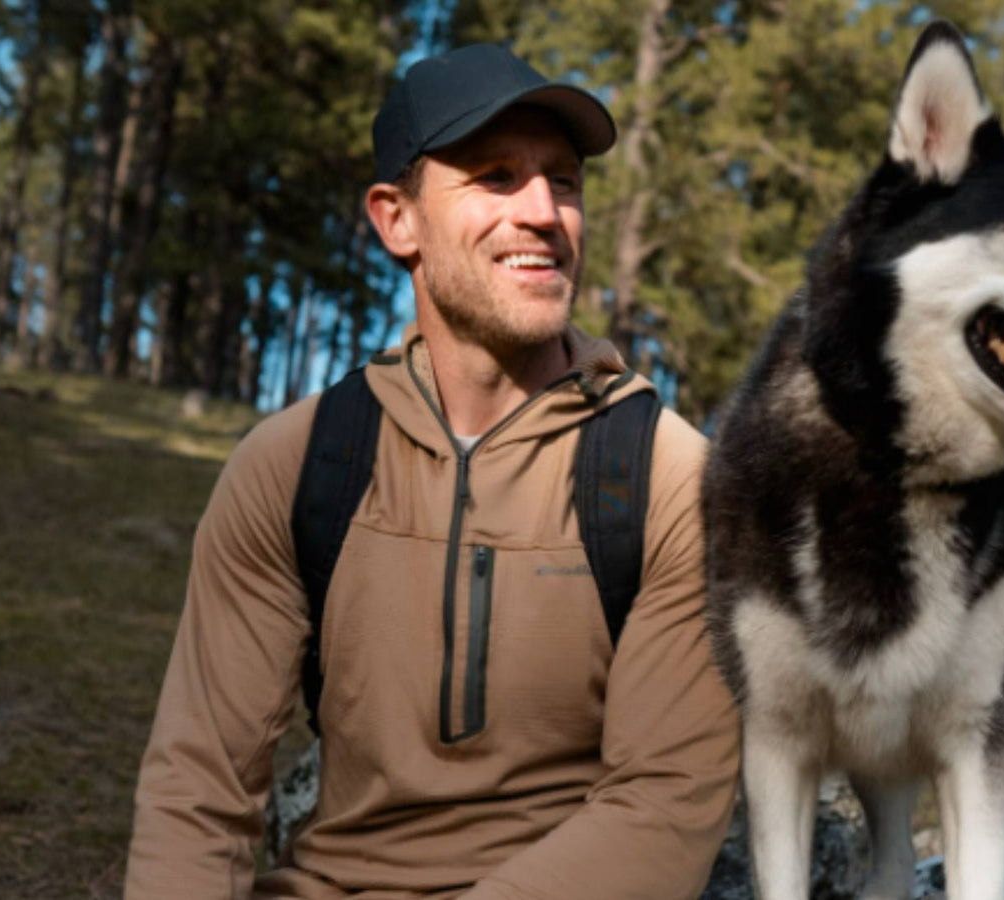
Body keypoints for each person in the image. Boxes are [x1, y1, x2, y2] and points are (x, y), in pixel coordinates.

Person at [124, 43, 740, 899]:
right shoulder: (298, 465)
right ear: (396, 220)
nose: (543, 212)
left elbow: (665, 807)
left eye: (563, 180)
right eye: (494, 176)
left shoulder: (671, 479)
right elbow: (199, 788)